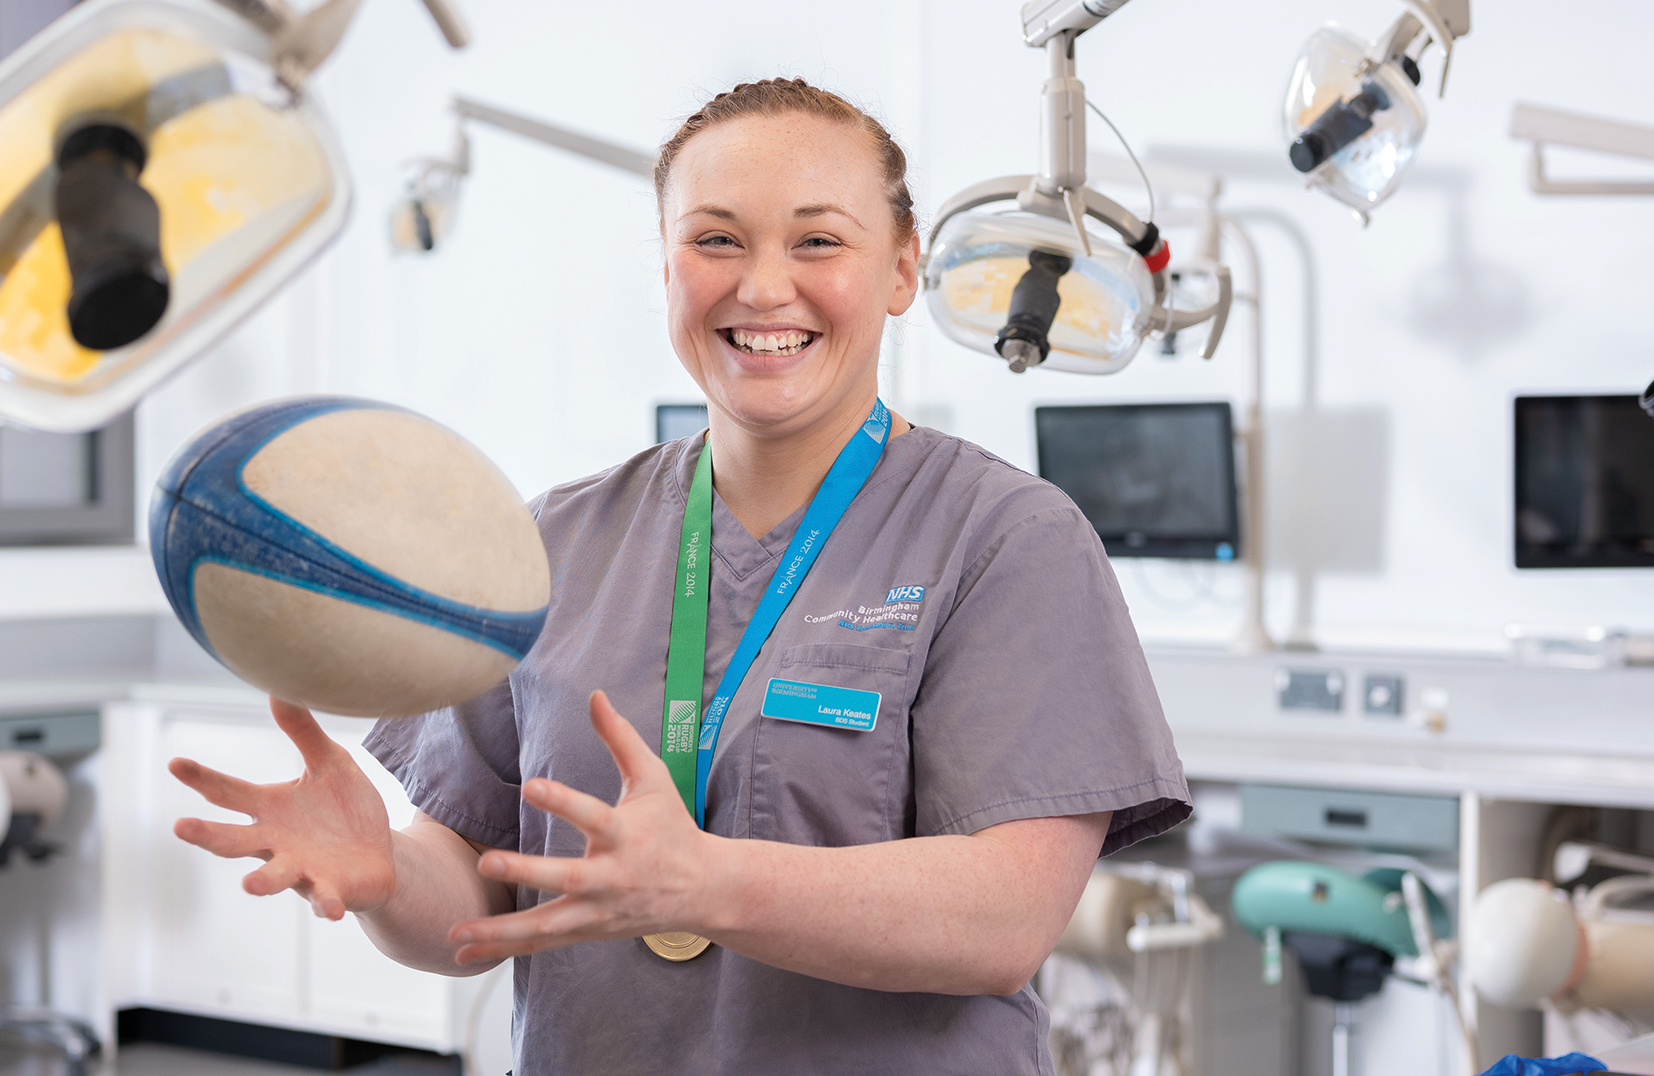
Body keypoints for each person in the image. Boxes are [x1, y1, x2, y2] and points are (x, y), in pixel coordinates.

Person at [169, 78, 1191, 1075]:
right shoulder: (551, 543)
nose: (761, 285)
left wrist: (704, 881)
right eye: (715, 239)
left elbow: (1003, 919)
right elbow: (482, 901)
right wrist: (388, 872)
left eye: (818, 239)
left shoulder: (1004, 538)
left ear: (901, 269)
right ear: (667, 267)